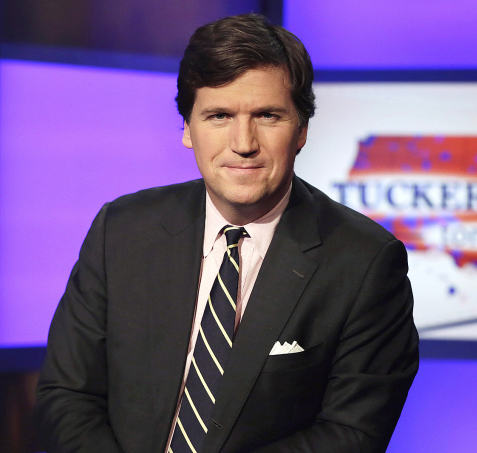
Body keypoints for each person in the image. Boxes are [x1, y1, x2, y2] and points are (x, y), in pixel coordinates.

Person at [34, 14, 418, 453]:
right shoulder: (120, 229)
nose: (243, 142)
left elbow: (352, 434)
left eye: (267, 116)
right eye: (218, 115)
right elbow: (66, 396)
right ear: (186, 129)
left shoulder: (365, 262)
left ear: (302, 130)